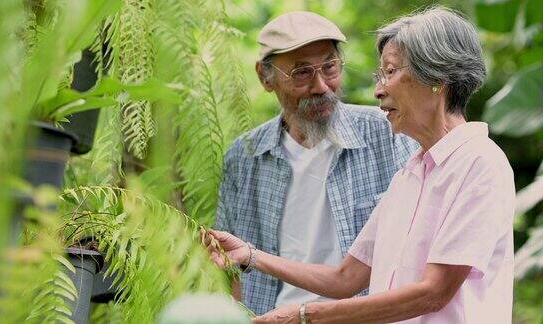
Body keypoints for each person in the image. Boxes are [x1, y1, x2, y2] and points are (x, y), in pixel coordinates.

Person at [208, 7, 515, 323]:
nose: (378, 90)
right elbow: (346, 278)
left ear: (436, 78)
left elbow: (434, 292)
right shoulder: (409, 175)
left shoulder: (479, 164)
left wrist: (304, 315)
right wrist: (250, 255)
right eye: (380, 75)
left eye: (391, 72)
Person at [214, 11, 417, 316]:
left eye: (330, 67)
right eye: (301, 73)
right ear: (264, 77)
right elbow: (227, 265)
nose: (321, 86)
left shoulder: (387, 135)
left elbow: (415, 248)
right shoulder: (244, 156)